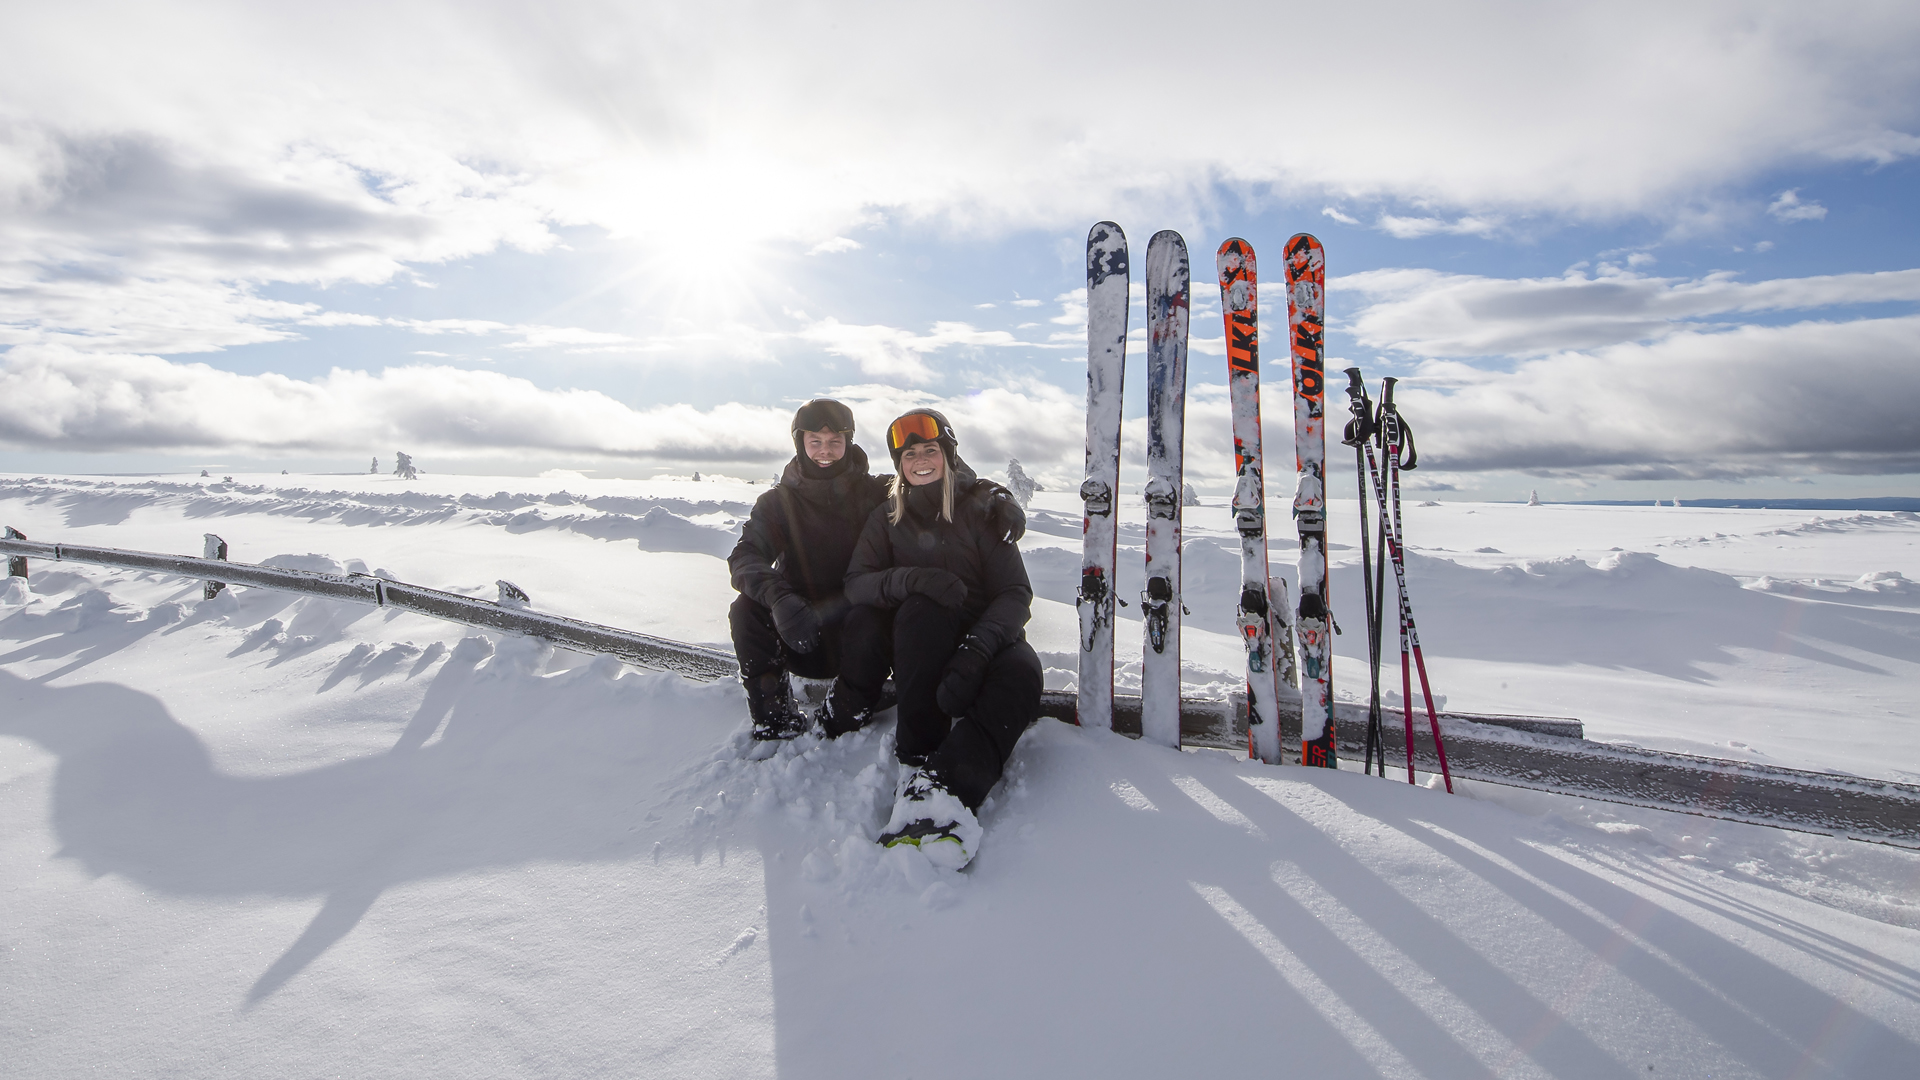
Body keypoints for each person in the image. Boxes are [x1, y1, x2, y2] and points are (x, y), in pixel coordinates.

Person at [728, 400, 1025, 741]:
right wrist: (779, 598)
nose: (826, 451)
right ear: (801, 444)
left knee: (871, 615)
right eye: (815, 442)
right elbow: (745, 556)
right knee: (746, 609)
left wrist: (996, 494)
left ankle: (852, 707)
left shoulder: (876, 492)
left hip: (862, 638)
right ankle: (774, 718)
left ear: (849, 443)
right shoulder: (777, 504)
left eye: (835, 442)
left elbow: (934, 475)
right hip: (797, 626)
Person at [840, 409, 1043, 868]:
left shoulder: (980, 509)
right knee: (920, 612)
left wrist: (979, 647)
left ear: (948, 454)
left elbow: (1014, 592)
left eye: (930, 450)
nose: (920, 460)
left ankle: (945, 785)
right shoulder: (886, 517)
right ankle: (916, 757)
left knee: (1023, 674)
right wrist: (913, 580)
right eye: (909, 454)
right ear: (900, 465)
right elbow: (858, 583)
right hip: (923, 649)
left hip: (988, 641)